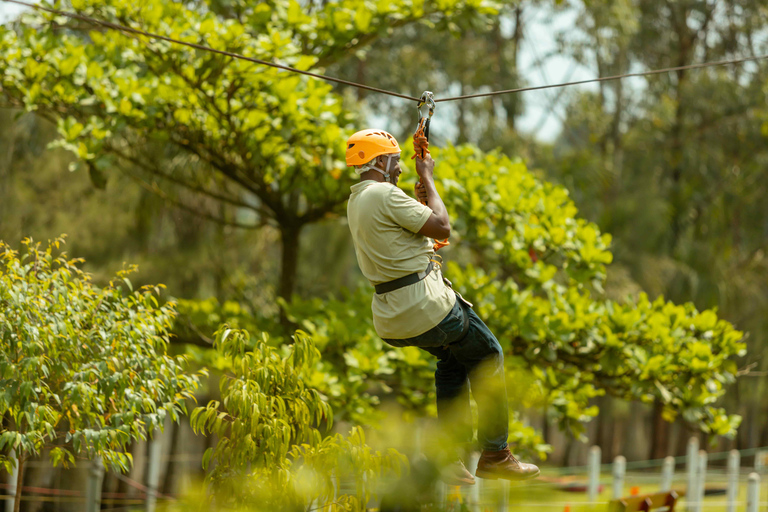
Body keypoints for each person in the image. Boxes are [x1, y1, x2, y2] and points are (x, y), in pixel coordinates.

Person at [344, 129, 540, 486]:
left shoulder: (358, 200)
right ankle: (496, 453)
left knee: (451, 361)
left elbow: (409, 236)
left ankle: (449, 457)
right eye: (395, 161)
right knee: (489, 354)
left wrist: (423, 199)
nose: (400, 168)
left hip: (391, 318)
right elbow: (442, 225)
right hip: (426, 306)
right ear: (379, 162)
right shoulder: (385, 194)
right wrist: (428, 178)